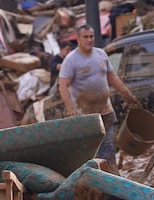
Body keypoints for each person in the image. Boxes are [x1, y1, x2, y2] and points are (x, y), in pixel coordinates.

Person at [58, 24, 140, 173]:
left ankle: (113, 177)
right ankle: (94, 180)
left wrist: (127, 95)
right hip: (85, 116)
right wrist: (69, 108)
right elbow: (63, 85)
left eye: (91, 36)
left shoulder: (101, 54)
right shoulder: (71, 60)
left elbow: (112, 78)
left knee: (108, 146)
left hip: (106, 112)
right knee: (90, 151)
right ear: (78, 39)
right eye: (85, 37)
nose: (89, 40)